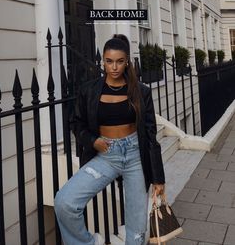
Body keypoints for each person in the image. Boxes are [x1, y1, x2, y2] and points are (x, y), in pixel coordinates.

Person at [54, 34, 165, 245]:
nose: (114, 67)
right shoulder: (89, 90)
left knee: (137, 230)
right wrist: (93, 141)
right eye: (109, 61)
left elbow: (150, 135)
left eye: (120, 61)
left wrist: (158, 177)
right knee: (65, 202)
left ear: (127, 62)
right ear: (103, 60)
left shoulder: (141, 92)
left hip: (135, 157)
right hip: (106, 156)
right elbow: (77, 123)